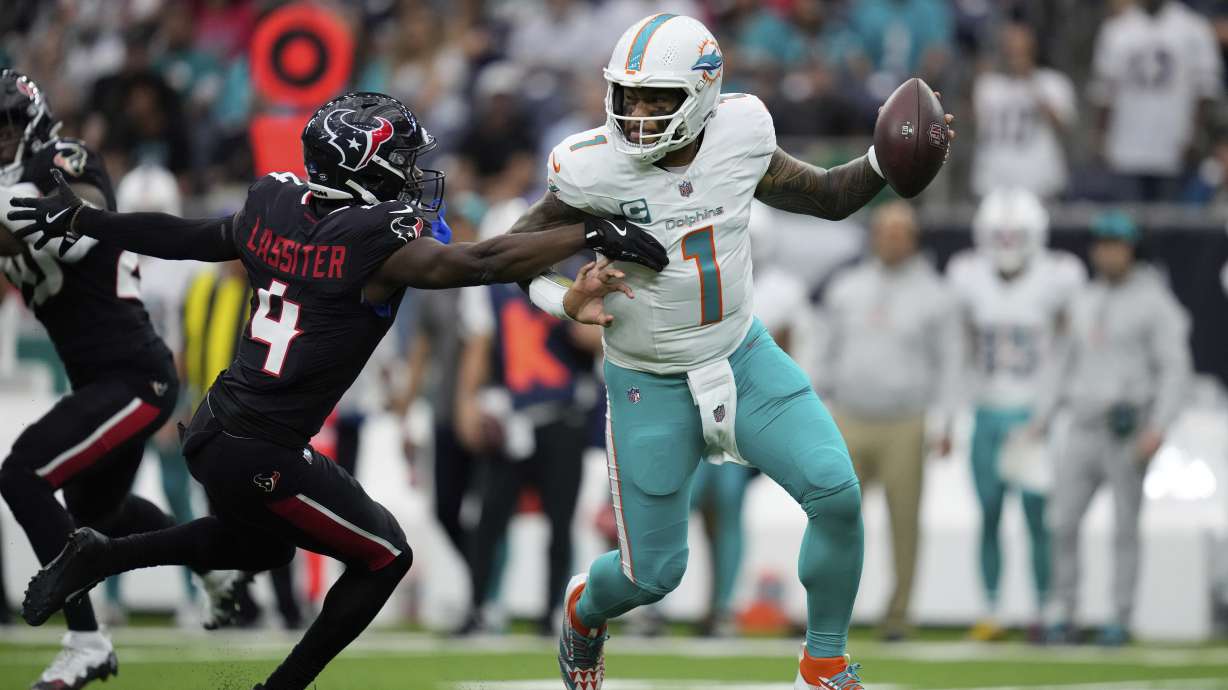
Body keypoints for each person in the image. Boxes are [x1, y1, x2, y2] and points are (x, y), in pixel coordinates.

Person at [9, 90, 664, 690]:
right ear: (365, 169)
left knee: (260, 545)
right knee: (385, 557)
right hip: (263, 447)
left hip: (216, 428)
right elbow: (482, 261)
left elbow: (188, 237)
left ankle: (102, 553)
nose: (412, 173)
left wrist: (86, 221)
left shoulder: (275, 204)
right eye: (401, 160)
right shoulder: (378, 243)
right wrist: (590, 232)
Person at [508, 15, 954, 690]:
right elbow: (514, 256)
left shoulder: (740, 136)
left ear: (703, 94)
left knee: (835, 492)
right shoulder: (589, 166)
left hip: (742, 356)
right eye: (629, 97)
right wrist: (567, 301)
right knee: (650, 575)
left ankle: (824, 664)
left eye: (659, 98)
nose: (639, 115)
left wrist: (888, 160)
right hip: (649, 380)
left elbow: (830, 197)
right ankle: (582, 608)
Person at [0, 70, 241, 690]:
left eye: (4, 125)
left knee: (23, 473)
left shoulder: (63, 156)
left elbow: (82, 209)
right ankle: (213, 565)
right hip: (102, 379)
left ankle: (86, 639)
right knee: (97, 507)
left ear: (28, 122)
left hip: (136, 375)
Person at [1037, 211, 1191, 646]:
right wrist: (1043, 416)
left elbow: (1174, 369)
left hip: (1128, 426)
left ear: (1132, 250)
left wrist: (1160, 425)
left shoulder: (1155, 303)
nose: (1107, 252)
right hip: (1083, 425)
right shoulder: (1082, 300)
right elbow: (1060, 362)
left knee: (1125, 527)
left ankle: (1119, 616)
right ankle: (1064, 610)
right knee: (1062, 521)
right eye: (1102, 244)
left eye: (1116, 245)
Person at [946, 188, 1085, 642]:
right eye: (999, 234)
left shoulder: (1058, 277)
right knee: (988, 512)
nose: (1007, 243)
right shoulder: (967, 275)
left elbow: (1069, 345)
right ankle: (992, 607)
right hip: (987, 409)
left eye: (1015, 234)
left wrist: (1053, 408)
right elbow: (961, 348)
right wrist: (952, 411)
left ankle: (1045, 606)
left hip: (1033, 414)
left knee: (1036, 516)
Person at [820, 200, 962, 641]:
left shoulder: (937, 294)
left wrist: (946, 421)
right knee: (834, 518)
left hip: (905, 419)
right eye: (884, 232)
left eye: (900, 233)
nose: (890, 240)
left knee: (904, 522)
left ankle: (899, 614)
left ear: (914, 239)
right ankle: (828, 610)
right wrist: (815, 409)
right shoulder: (846, 287)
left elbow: (952, 364)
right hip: (849, 416)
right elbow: (823, 352)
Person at [454, 250, 602, 636]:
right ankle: (479, 606)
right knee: (489, 518)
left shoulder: (572, 278)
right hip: (512, 417)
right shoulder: (491, 290)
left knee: (560, 520)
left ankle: (554, 609)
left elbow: (594, 338)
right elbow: (480, 344)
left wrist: (573, 306)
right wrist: (470, 403)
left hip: (562, 414)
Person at [1090, 0, 1223, 201]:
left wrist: (1194, 135)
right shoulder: (1116, 30)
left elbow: (1205, 90)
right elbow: (1105, 94)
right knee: (1129, 224)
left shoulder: (1193, 27)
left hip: (1174, 147)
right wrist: (1101, 139)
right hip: (1126, 148)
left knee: (1171, 226)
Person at [970, 20, 1077, 199]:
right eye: (1010, 48)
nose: (1015, 55)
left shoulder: (1053, 83)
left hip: (1038, 181)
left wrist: (1032, 85)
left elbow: (1064, 126)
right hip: (993, 181)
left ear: (1033, 49)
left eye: (1021, 49)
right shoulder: (987, 85)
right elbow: (974, 127)